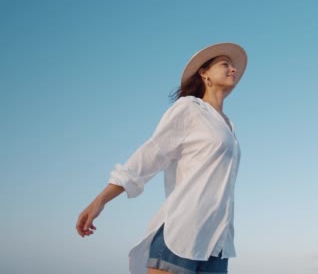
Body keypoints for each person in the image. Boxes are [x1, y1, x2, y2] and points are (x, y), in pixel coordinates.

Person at [76, 42, 248, 274]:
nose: (233, 69)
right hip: (182, 235)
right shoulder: (189, 108)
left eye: (233, 66)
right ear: (204, 72)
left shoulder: (228, 125)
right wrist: (101, 200)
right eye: (225, 64)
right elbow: (150, 155)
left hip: (218, 245)